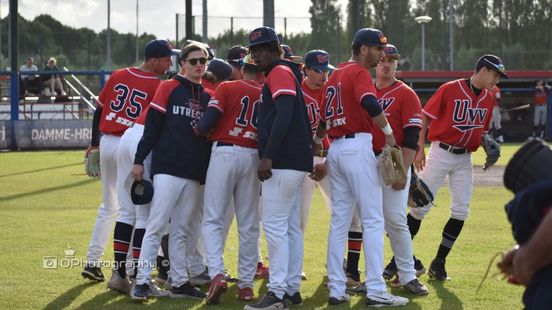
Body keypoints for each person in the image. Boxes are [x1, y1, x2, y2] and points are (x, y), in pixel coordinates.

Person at [321, 28, 408, 307]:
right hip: (357, 146)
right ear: (362, 49)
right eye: (377, 48)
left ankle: (336, 287)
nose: (382, 54)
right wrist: (390, 134)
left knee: (340, 222)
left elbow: (323, 119)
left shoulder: (334, 75)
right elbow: (369, 102)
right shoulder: (358, 72)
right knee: (372, 220)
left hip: (335, 148)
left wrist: (317, 144)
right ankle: (376, 290)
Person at [81, 39, 173, 283]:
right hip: (129, 144)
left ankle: (93, 260)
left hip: (108, 142)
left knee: (108, 206)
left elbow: (99, 109)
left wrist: (94, 143)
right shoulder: (157, 85)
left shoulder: (119, 74)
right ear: (153, 60)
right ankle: (129, 269)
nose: (169, 64)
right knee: (133, 210)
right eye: (165, 59)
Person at [410, 54, 508, 281]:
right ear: (483, 71)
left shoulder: (488, 98)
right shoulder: (450, 88)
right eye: (495, 75)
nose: (497, 81)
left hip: (464, 159)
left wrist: (486, 143)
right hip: (440, 152)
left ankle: (439, 263)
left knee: (461, 211)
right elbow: (424, 118)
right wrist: (419, 149)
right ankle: (399, 261)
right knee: (419, 207)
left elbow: (479, 129)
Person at [130, 42, 212, 301]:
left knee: (182, 230)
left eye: (203, 60)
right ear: (183, 64)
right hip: (168, 168)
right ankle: (142, 282)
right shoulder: (168, 87)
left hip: (193, 171)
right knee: (156, 225)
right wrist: (139, 160)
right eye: (194, 60)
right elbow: (152, 128)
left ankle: (179, 282)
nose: (199, 64)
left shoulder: (209, 96)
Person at [243, 26, 313, 310]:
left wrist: (268, 155)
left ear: (276, 49)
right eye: (254, 50)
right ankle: (292, 289)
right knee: (290, 228)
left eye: (262, 49)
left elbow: (284, 114)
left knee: (274, 227)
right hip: (294, 160)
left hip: (283, 161)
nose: (257, 54)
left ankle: (277, 293)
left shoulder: (279, 71)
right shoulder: (282, 72)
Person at [198, 54, 263, 305]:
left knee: (213, 218)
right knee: (248, 224)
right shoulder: (265, 93)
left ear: (242, 69)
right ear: (261, 73)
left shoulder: (227, 86)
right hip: (253, 154)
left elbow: (208, 121)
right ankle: (246, 286)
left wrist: (200, 130)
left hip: (225, 151)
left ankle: (217, 274)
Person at [372, 44, 428, 295]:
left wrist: (402, 172)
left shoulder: (406, 93)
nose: (387, 64)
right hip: (363, 160)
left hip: (391, 161)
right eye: (383, 59)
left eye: (392, 60)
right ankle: (369, 277)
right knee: (368, 222)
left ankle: (408, 275)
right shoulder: (366, 90)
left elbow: (412, 136)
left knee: (395, 219)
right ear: (375, 62)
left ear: (397, 63)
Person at [300, 49, 332, 232]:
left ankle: (338, 260)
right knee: (299, 217)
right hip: (304, 159)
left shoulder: (331, 91)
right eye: (319, 70)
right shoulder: (297, 93)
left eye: (326, 70)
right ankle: (286, 261)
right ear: (306, 70)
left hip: (330, 158)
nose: (324, 74)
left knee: (345, 212)